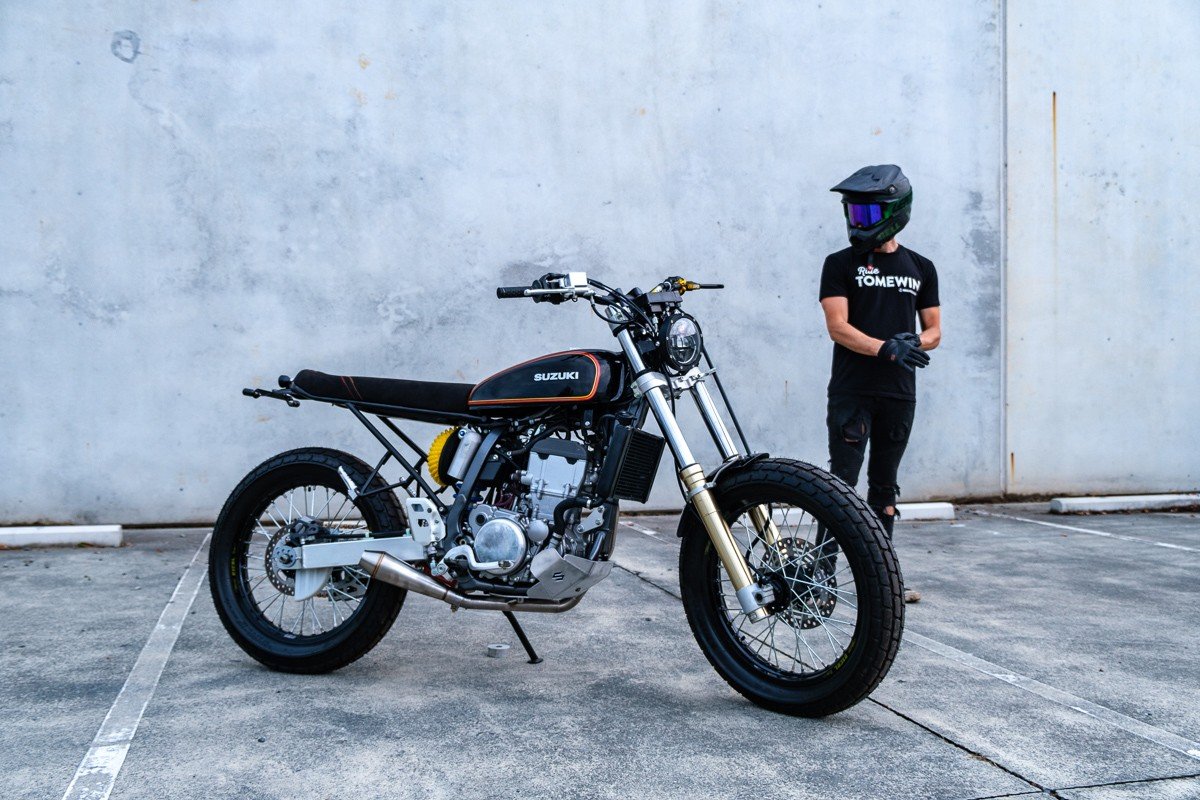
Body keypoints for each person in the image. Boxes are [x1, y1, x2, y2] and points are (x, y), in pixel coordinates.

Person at [818, 164, 941, 550]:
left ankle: (882, 574)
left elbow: (935, 332)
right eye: (853, 212)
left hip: (899, 394)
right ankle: (821, 573)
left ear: (895, 211)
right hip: (852, 391)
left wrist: (913, 342)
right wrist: (886, 348)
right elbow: (837, 326)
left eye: (867, 213)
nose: (858, 221)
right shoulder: (839, 263)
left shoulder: (921, 267)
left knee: (885, 490)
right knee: (840, 487)